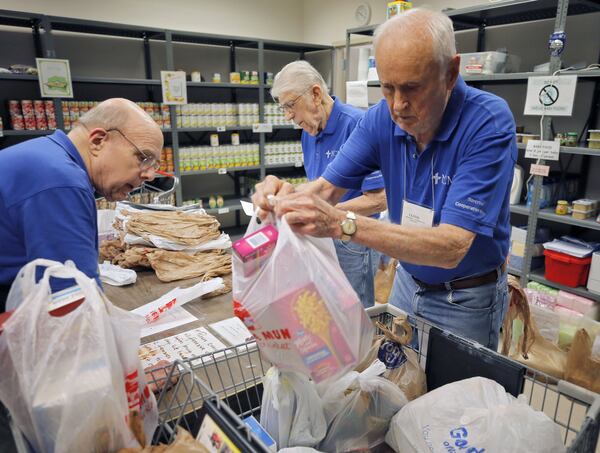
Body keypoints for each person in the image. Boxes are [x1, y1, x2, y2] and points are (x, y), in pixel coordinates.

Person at [253, 8, 517, 350]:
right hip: (406, 284)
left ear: (450, 73)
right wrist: (285, 197)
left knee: (456, 399)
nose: (398, 105)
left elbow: (452, 247)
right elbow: (327, 188)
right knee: (396, 384)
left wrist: (341, 224)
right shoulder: (382, 118)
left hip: (465, 299)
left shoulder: (487, 123)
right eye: (387, 88)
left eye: (412, 88)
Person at [0, 98, 164, 311]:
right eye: (143, 157)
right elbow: (73, 301)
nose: (150, 175)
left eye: (154, 165)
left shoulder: (49, 157)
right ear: (98, 141)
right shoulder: (61, 181)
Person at [270, 60, 386, 307]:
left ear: (315, 94)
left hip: (352, 238)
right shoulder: (308, 132)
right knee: (326, 310)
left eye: (290, 105)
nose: (288, 115)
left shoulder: (356, 125)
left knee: (355, 312)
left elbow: (378, 199)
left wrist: (327, 214)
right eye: (283, 108)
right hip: (321, 236)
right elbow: (320, 187)